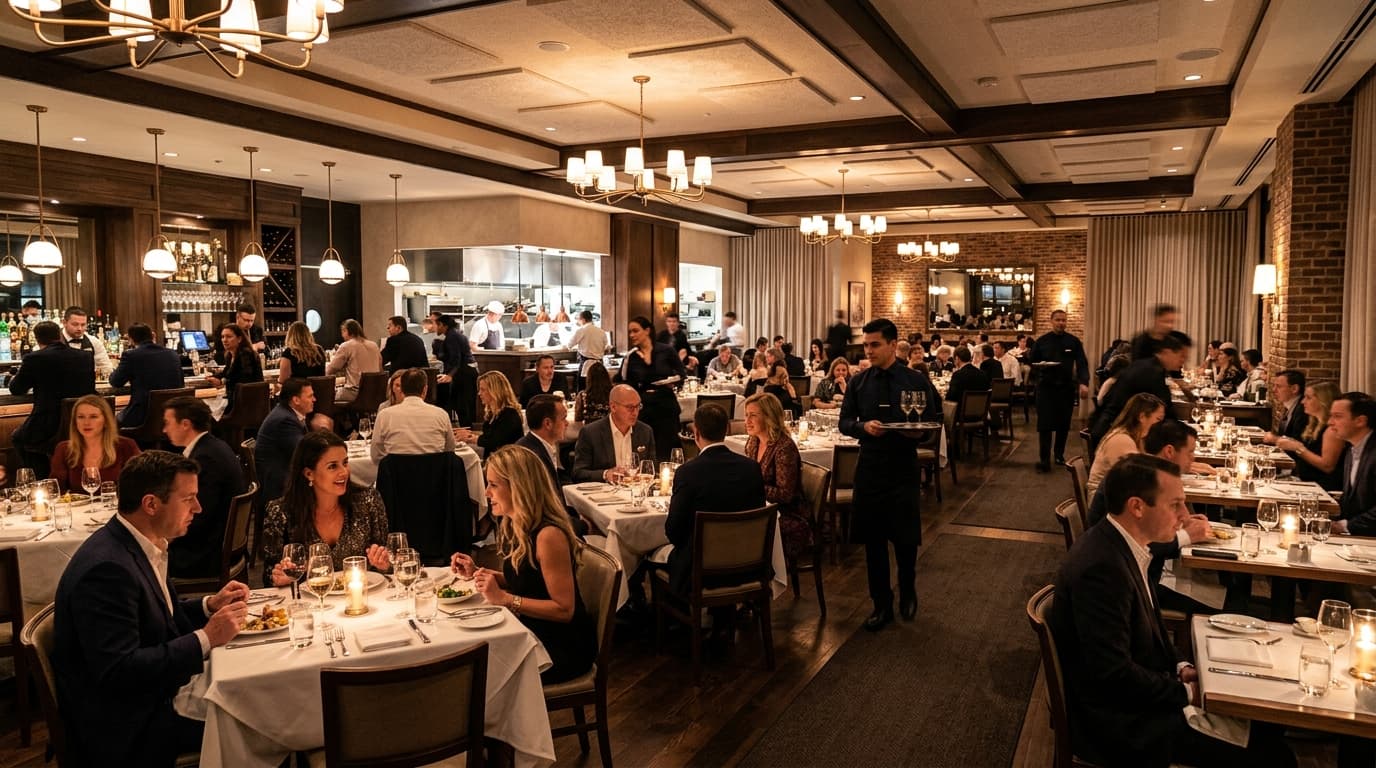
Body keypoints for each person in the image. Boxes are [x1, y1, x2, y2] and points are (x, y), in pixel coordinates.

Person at [1050, 454, 1295, 768]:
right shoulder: (1102, 569)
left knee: (1267, 722)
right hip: (1120, 726)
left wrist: (1180, 666)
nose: (1184, 515)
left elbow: (1148, 635)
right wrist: (1187, 693)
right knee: (1275, 756)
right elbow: (1112, 675)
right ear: (1137, 506)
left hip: (1138, 699)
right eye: (1175, 504)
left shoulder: (1130, 546)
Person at [53, 451, 251, 768]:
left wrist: (208, 605)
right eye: (188, 499)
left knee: (249, 694)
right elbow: (119, 670)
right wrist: (207, 638)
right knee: (253, 722)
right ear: (150, 504)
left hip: (153, 696)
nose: (198, 509)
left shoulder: (142, 542)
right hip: (130, 724)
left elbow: (158, 616)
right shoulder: (106, 569)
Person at [449, 445, 595, 684]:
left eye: (494, 485)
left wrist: (505, 599)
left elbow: (564, 610)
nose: (486, 493)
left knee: (476, 675)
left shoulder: (548, 535)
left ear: (519, 487)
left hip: (561, 646)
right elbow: (530, 580)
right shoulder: (516, 524)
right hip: (532, 628)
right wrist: (482, 574)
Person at [840, 318, 941, 631]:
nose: (868, 351)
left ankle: (907, 587)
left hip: (902, 466)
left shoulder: (914, 380)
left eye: (874, 345)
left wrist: (918, 436)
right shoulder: (859, 382)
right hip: (869, 467)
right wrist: (862, 427)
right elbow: (845, 422)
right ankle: (881, 604)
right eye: (866, 345)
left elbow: (934, 420)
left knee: (905, 538)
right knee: (873, 541)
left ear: (893, 345)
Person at [260, 430, 391, 584]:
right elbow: (269, 578)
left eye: (345, 463)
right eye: (332, 466)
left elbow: (386, 566)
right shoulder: (281, 512)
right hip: (311, 603)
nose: (344, 472)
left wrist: (383, 564)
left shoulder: (368, 500)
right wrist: (280, 577)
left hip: (362, 598)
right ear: (309, 474)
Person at [663, 403, 766, 593]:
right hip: (748, 563)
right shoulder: (751, 467)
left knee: (657, 556)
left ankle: (674, 618)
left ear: (696, 433)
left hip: (702, 571)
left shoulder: (688, 472)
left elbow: (673, 531)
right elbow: (758, 512)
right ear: (726, 430)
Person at [162, 396, 246, 579]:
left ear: (185, 424)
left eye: (168, 423)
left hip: (205, 554)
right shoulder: (214, 446)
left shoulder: (205, 459)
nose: (164, 429)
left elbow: (199, 516)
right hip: (220, 544)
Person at [10, 320, 96, 472]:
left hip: (47, 426)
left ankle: (41, 478)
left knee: (18, 438)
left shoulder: (34, 358)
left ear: (37, 339)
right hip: (82, 423)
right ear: (59, 335)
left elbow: (16, 389)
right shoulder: (85, 356)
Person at [1091, 331, 1186, 456]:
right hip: (1114, 434)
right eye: (1181, 356)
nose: (1183, 361)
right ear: (1167, 352)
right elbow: (1164, 410)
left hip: (1115, 429)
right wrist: (1184, 436)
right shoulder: (1151, 371)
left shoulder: (1150, 366)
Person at [743, 392, 810, 558]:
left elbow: (785, 494)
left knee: (741, 528)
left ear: (768, 417)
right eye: (746, 415)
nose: (747, 421)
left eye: (753, 415)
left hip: (787, 514)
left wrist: (751, 488)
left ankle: (759, 574)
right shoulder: (753, 441)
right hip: (760, 507)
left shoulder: (784, 447)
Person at [617, 315, 685, 461]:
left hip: (666, 407)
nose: (632, 335)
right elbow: (623, 382)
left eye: (635, 331)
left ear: (647, 330)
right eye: (630, 332)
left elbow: (682, 374)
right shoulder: (631, 356)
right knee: (643, 451)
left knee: (667, 452)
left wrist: (673, 381)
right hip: (643, 408)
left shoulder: (666, 351)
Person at [1030, 309, 1091, 472]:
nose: (1061, 323)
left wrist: (1084, 383)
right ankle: (1044, 459)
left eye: (1063, 320)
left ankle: (1059, 455)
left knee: (1063, 424)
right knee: (1045, 425)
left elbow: (1082, 364)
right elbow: (1032, 362)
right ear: (1051, 321)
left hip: (1066, 388)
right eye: (1058, 320)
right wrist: (1038, 371)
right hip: (1045, 388)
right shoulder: (1042, 341)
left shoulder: (1073, 341)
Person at [50, 394, 142, 492]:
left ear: (106, 421)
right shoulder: (64, 449)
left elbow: (142, 484)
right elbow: (56, 489)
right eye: (81, 417)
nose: (86, 423)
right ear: (74, 422)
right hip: (79, 507)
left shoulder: (126, 446)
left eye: (93, 417)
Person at [571, 384, 656, 482]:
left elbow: (650, 470)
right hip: (603, 494)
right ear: (613, 407)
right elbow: (578, 473)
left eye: (638, 406)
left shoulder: (645, 431)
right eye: (630, 407)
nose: (635, 412)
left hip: (635, 492)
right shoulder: (591, 433)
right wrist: (606, 474)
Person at [1087, 393, 1166, 494]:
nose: (1160, 425)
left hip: (1119, 494)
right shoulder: (1121, 439)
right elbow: (1134, 478)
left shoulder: (1137, 437)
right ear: (1142, 417)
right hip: (1104, 501)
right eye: (1158, 419)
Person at [369, 368, 454, 463]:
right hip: (434, 475)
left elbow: (376, 455)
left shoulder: (385, 415)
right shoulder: (441, 414)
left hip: (396, 476)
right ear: (425, 389)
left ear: (402, 389)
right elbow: (449, 451)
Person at [110, 322, 184, 429]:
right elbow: (180, 382)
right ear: (153, 335)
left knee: (109, 421)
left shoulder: (131, 355)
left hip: (141, 417)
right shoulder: (172, 354)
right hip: (174, 416)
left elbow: (115, 382)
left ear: (130, 339)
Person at [1274, 381, 1346, 490]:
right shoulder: (1314, 424)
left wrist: (1298, 448)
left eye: (1308, 398)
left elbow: (1327, 466)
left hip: (1321, 487)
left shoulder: (1331, 431)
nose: (1303, 402)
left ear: (1323, 401)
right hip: (1304, 481)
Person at [253, 377, 314, 504]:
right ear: (296, 400)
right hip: (279, 483)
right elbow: (303, 453)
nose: (314, 400)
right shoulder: (285, 420)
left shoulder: (286, 413)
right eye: (310, 396)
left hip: (280, 475)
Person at [1331, 392, 1376, 536]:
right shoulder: (1351, 449)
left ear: (1360, 421)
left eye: (1337, 416)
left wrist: (1345, 526)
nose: (1330, 422)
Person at [454, 370, 523, 455]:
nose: (479, 393)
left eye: (483, 390)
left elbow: (495, 441)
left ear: (495, 391)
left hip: (507, 461)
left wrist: (470, 438)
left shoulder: (509, 414)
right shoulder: (492, 413)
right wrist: (469, 434)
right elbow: (489, 436)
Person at [516, 394, 571, 491]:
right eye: (563, 418)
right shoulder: (532, 456)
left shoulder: (535, 444)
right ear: (548, 423)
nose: (567, 423)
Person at [207, 323, 263, 415]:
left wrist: (222, 381)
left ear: (239, 339)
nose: (224, 340)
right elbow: (226, 372)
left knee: (208, 412)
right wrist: (213, 377)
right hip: (235, 399)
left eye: (229, 337)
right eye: (223, 337)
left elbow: (244, 379)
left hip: (247, 404)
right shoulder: (230, 355)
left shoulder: (246, 354)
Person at [434, 314, 477, 426]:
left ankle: (465, 431)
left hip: (464, 373)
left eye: (437, 325)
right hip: (467, 371)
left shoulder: (452, 336)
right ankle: (466, 429)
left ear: (443, 325)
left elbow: (456, 358)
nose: (436, 328)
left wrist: (450, 375)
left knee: (461, 405)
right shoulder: (454, 334)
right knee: (462, 404)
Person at [327, 319, 382, 404]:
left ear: (346, 330)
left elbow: (330, 370)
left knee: (325, 396)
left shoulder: (347, 345)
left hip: (354, 393)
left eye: (342, 332)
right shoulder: (374, 345)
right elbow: (380, 368)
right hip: (375, 391)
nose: (342, 335)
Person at [61, 305, 114, 379]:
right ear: (64, 323)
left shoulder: (94, 342)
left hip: (87, 387)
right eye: (75, 324)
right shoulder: (54, 340)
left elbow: (106, 367)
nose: (79, 328)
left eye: (83, 325)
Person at [1263, 369, 1307, 445]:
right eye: (1274, 386)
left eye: (1279, 386)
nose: (1274, 390)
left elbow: (1298, 443)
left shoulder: (1303, 409)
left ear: (1294, 389)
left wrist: (1275, 439)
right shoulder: (1289, 406)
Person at [567, 310, 609, 378]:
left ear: (583, 320)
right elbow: (606, 346)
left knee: (584, 387)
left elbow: (569, 345)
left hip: (586, 365)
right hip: (599, 366)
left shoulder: (581, 330)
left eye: (579, 319)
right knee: (598, 387)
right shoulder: (602, 331)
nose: (579, 322)